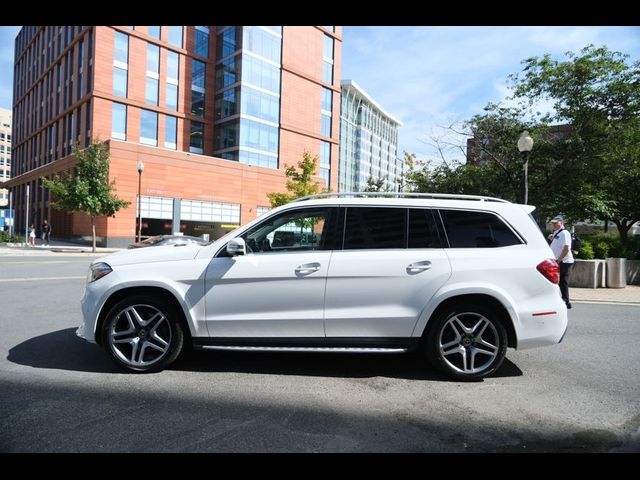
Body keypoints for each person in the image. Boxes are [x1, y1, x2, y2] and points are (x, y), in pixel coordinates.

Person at [548, 215, 574, 309]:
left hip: (564, 261)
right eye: (553, 223)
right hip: (558, 261)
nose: (554, 224)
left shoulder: (565, 233)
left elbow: (566, 248)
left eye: (556, 223)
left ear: (561, 223)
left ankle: (566, 301)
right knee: (559, 281)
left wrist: (559, 259)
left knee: (563, 281)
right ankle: (564, 300)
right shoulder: (557, 232)